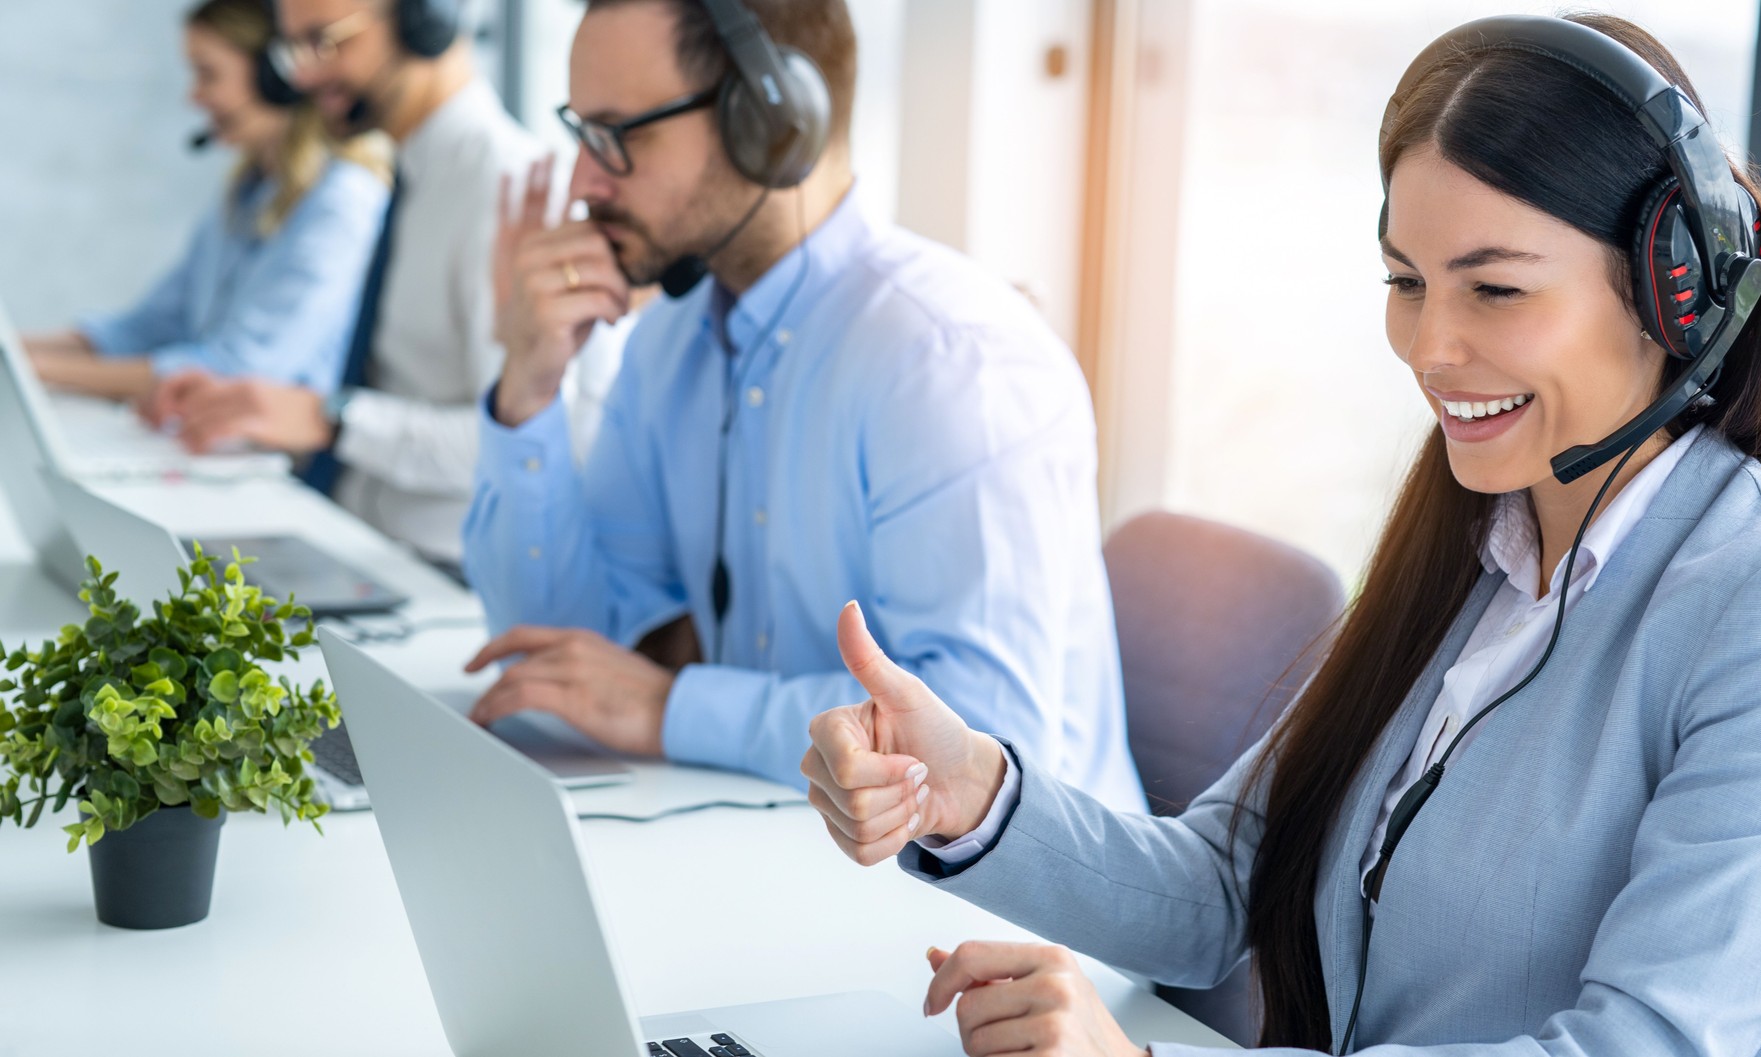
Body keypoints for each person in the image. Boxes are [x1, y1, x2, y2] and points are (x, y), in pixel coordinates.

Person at [800, 14, 1761, 1057]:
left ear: (1675, 294)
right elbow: (1226, 881)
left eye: (1496, 289)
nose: (1429, 347)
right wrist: (971, 792)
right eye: (1406, 281)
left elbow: (1642, 1044)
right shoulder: (1476, 551)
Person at [459, 0, 1145, 810]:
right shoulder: (670, 342)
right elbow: (557, 665)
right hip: (784, 841)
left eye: (620, 136)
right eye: (581, 133)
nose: (583, 182)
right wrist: (529, 388)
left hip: (996, 910)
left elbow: (980, 745)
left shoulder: (950, 361)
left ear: (772, 122)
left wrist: (671, 709)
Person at [142, 0, 620, 568]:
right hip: (358, 541)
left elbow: (523, 439)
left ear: (427, 19)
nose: (305, 75)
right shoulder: (407, 176)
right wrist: (268, 412)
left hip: (442, 571)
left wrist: (332, 419)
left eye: (327, 41)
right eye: (293, 48)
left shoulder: (506, 189)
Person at [25, 0, 388, 404]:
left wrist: (38, 372)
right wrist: (14, 351)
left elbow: (238, 371)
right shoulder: (245, 193)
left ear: (278, 77)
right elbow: (149, 327)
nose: (193, 98)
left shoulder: (340, 202)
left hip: (279, 460)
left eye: (207, 74)